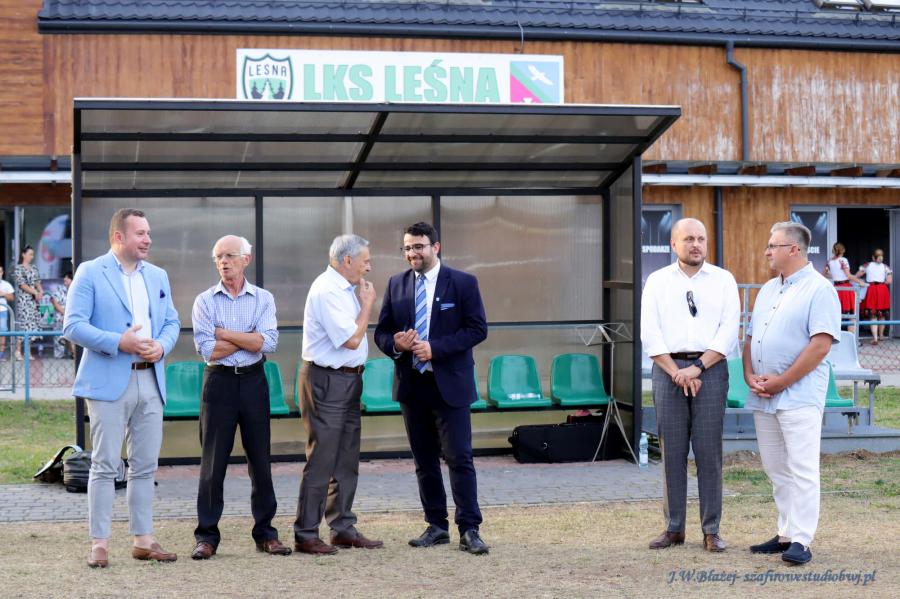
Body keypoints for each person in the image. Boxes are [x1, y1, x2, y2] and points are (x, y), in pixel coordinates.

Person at [63, 208, 180, 568]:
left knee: (145, 465)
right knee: (105, 464)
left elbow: (172, 321)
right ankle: (99, 544)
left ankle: (143, 540)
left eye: (148, 233)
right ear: (118, 237)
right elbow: (73, 326)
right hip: (108, 381)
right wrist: (119, 342)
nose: (148, 239)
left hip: (151, 380)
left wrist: (162, 346)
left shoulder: (158, 275)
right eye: (140, 233)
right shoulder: (90, 272)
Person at [374, 222, 490, 555]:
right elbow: (381, 333)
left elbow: (477, 329)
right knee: (424, 461)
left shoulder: (463, 283)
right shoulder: (396, 284)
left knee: (459, 458)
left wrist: (435, 348)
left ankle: (469, 529)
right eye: (407, 248)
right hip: (413, 387)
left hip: (450, 385)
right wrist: (396, 345)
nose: (412, 253)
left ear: (435, 247)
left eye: (419, 247)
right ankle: (436, 525)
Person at [640, 217, 740, 553]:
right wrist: (676, 372)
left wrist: (696, 368)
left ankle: (711, 530)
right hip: (668, 370)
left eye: (701, 239)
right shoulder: (657, 281)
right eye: (688, 239)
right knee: (672, 452)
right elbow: (650, 332)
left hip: (709, 370)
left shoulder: (723, 280)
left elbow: (728, 331)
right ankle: (674, 528)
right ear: (674, 244)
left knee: (709, 452)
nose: (696, 245)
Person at [744, 221, 841, 566]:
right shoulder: (769, 289)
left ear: (794, 249)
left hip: (798, 396)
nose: (767, 252)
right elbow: (750, 337)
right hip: (764, 395)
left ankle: (802, 539)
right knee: (775, 467)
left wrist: (781, 381)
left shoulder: (820, 289)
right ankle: (785, 532)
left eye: (773, 246)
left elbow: (820, 346)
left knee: (801, 467)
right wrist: (750, 375)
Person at [190, 235, 291, 560]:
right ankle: (206, 537)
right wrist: (249, 338)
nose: (224, 262)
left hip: (253, 382)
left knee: (260, 461)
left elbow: (269, 342)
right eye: (218, 257)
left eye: (230, 256)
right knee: (213, 463)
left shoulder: (263, 298)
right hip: (218, 383)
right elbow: (208, 350)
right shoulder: (204, 301)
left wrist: (225, 334)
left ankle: (266, 534)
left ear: (246, 259)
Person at [293, 234, 383, 555]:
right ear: (347, 260)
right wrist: (368, 304)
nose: (368, 267)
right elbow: (351, 340)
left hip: (349, 380)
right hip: (326, 381)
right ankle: (306, 533)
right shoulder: (327, 290)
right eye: (365, 261)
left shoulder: (344, 289)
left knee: (346, 457)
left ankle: (342, 527)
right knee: (322, 458)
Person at [822, 242, 866, 333]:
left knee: (836, 314)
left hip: (836, 288)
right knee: (852, 315)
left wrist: (834, 276)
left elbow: (824, 274)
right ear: (843, 250)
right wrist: (860, 282)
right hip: (846, 289)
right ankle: (852, 337)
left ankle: (836, 337)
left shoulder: (829, 261)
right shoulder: (843, 260)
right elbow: (848, 275)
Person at [856, 249, 893, 345]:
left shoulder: (866, 265)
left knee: (873, 315)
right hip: (882, 290)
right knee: (882, 314)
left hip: (871, 289)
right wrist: (881, 283)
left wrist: (862, 282)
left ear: (873, 257)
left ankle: (875, 338)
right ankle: (881, 335)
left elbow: (857, 275)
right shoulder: (886, 267)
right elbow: (889, 281)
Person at [14, 245, 43, 360]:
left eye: (32, 254)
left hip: (33, 301)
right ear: (23, 254)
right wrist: (35, 292)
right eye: (30, 254)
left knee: (32, 325)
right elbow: (22, 285)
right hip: (24, 300)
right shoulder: (18, 268)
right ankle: (18, 351)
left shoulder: (34, 268)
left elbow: (37, 282)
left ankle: (28, 352)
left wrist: (40, 291)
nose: (32, 256)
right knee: (24, 324)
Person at [51, 271, 74, 359]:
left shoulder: (76, 290)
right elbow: (54, 302)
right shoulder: (59, 289)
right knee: (59, 335)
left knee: (72, 335)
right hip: (60, 317)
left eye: (67, 278)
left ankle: (73, 353)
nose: (65, 279)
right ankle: (59, 355)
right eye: (65, 277)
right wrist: (65, 314)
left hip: (72, 318)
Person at [0, 265, 15, 359]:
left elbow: (12, 298)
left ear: (2, 273)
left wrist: (3, 294)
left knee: (3, 332)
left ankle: (1, 354)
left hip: (3, 311)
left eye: (0, 271)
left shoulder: (6, 284)